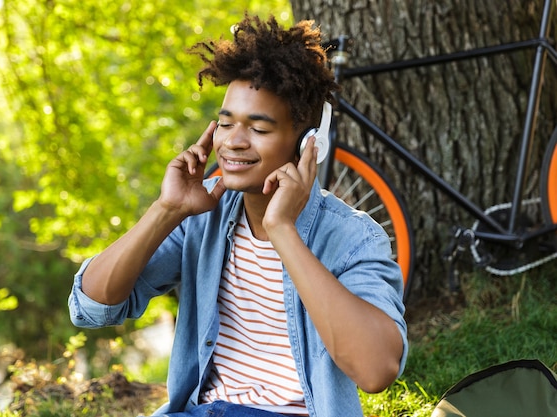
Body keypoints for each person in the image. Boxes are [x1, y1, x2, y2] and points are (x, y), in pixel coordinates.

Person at [69, 14, 407, 417]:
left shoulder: (354, 239)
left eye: (259, 129)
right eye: (226, 123)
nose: (233, 142)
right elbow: (91, 306)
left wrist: (282, 230)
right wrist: (166, 210)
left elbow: (376, 371)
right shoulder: (203, 217)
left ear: (307, 144)